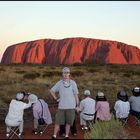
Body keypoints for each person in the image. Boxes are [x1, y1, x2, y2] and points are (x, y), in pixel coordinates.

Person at [50, 67, 80, 139]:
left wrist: (78, 105)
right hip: (61, 107)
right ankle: (54, 135)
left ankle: (66, 135)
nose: (66, 74)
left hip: (71, 106)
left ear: (69, 74)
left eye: (67, 72)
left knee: (68, 122)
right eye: (64, 73)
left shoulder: (73, 83)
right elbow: (51, 90)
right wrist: (56, 98)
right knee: (58, 122)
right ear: (62, 74)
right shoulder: (59, 83)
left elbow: (76, 95)